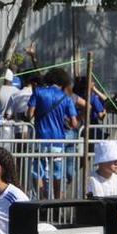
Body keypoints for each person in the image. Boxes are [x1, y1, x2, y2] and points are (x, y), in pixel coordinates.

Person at [27, 69, 79, 198]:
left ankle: (42, 199)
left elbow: (29, 115)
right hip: (58, 142)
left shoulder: (38, 92)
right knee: (57, 173)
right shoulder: (66, 98)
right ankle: (56, 203)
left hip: (40, 139)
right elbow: (74, 124)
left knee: (37, 171)